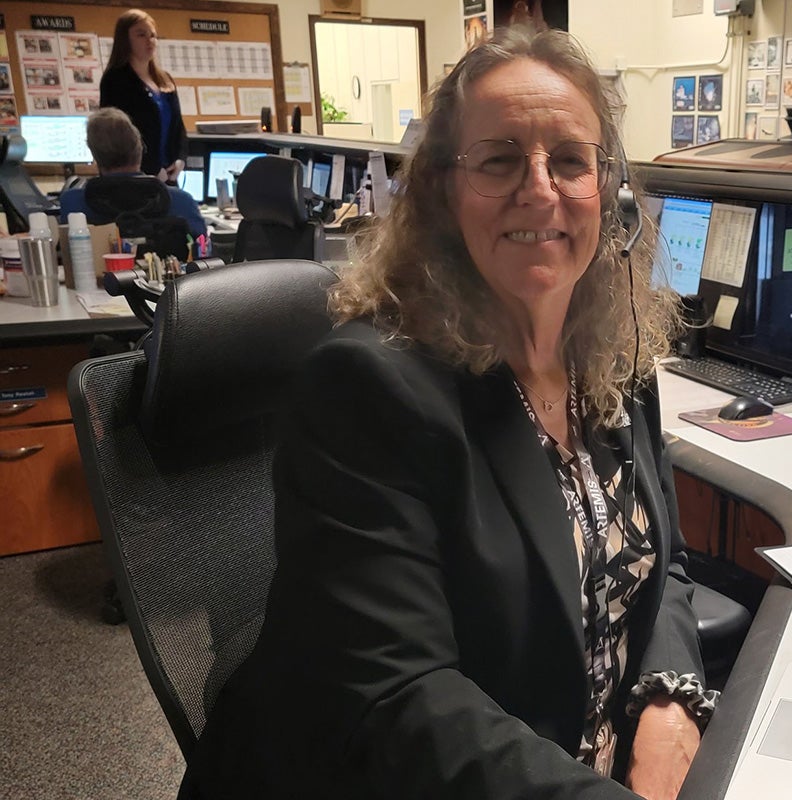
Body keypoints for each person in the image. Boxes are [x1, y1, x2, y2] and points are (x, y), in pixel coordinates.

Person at [182, 21, 717, 800]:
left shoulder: (614, 361)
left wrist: (669, 699)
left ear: (609, 190)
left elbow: (664, 568)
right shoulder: (367, 390)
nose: (541, 189)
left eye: (571, 161)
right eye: (500, 160)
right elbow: (400, 700)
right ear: (440, 189)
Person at [57, 107, 206, 239]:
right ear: (139, 149)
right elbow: (203, 250)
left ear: (94, 154)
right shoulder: (181, 201)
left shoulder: (73, 204)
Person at [100, 9, 186, 182]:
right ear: (125, 40)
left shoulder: (164, 79)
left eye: (153, 35)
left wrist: (180, 160)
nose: (150, 41)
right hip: (133, 178)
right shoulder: (115, 80)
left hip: (169, 175)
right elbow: (118, 135)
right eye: (141, 35)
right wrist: (152, 169)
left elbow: (178, 128)